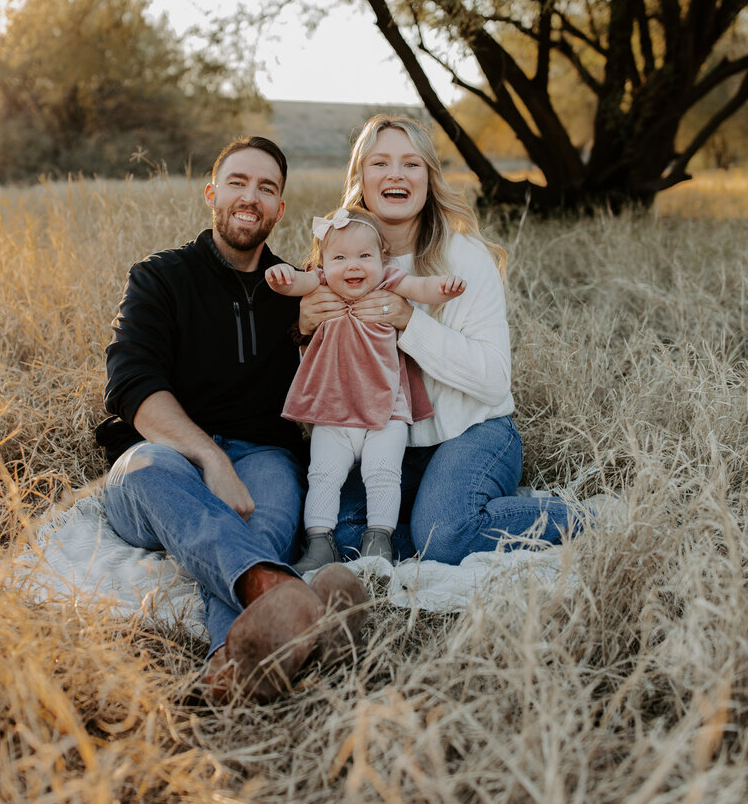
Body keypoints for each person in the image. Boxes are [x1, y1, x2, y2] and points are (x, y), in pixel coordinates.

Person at [96, 136, 366, 702]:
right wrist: (210, 458)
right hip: (164, 464)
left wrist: (316, 332)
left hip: (263, 453)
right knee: (147, 467)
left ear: (280, 209)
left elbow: (345, 378)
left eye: (267, 188)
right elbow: (132, 385)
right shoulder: (158, 278)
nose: (251, 197)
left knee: (265, 514)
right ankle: (285, 591)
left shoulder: (297, 289)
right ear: (211, 192)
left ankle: (231, 664)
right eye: (238, 182)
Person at [298, 115, 584, 564]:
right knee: (343, 534)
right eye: (380, 163)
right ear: (361, 179)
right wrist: (303, 328)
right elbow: (324, 374)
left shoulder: (463, 259)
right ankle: (441, 516)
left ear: (429, 179)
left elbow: (493, 380)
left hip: (472, 430)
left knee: (445, 535)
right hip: (385, 441)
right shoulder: (340, 259)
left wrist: (409, 321)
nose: (395, 174)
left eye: (411, 164)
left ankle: (574, 517)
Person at [265, 206, 466, 571]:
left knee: (383, 472)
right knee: (323, 474)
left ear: (382, 258)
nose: (353, 266)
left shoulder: (389, 281)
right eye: (340, 257)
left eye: (364, 256)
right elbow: (295, 282)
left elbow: (420, 287)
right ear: (323, 262)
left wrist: (443, 288)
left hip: (386, 410)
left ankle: (379, 539)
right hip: (333, 412)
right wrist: (282, 277)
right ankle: (319, 542)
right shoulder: (320, 282)